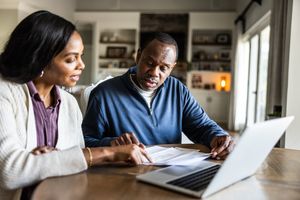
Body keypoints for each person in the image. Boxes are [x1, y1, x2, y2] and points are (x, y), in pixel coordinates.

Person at [0, 10, 151, 200]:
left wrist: (47, 159)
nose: (82, 65)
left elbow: (75, 162)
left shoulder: (70, 104)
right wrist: (108, 152)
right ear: (39, 59)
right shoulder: (4, 93)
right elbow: (9, 172)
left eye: (81, 56)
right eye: (71, 59)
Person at [82, 32, 235, 160]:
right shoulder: (104, 93)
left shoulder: (177, 90)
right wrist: (113, 144)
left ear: (172, 67)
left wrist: (218, 136)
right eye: (149, 63)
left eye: (164, 68)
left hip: (169, 171)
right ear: (138, 56)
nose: (155, 73)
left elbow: (201, 126)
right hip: (126, 173)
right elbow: (85, 142)